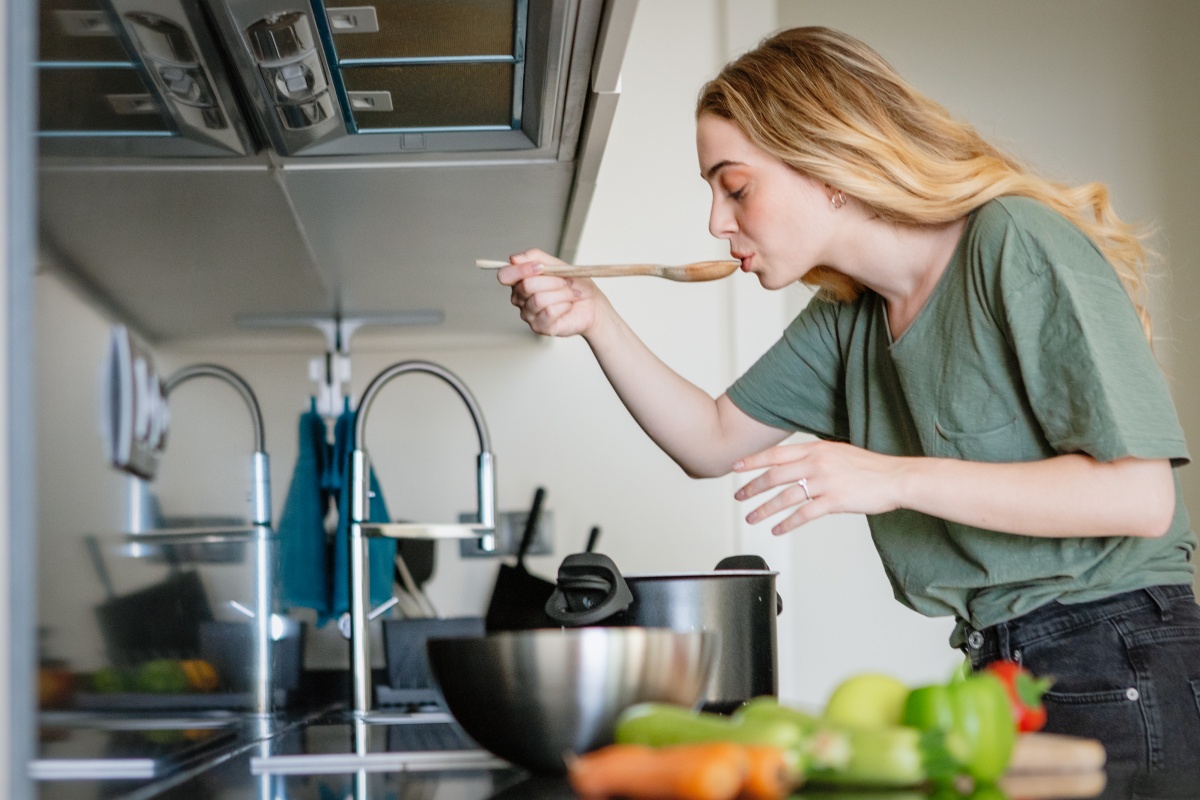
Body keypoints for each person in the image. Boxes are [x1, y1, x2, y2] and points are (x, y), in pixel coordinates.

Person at [496, 26, 1200, 770]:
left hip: (1121, 656)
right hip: (1006, 672)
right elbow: (708, 439)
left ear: (828, 166)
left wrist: (889, 475)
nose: (715, 221)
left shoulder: (1012, 241)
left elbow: (1140, 498)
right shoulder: (849, 317)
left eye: (735, 186)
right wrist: (595, 317)